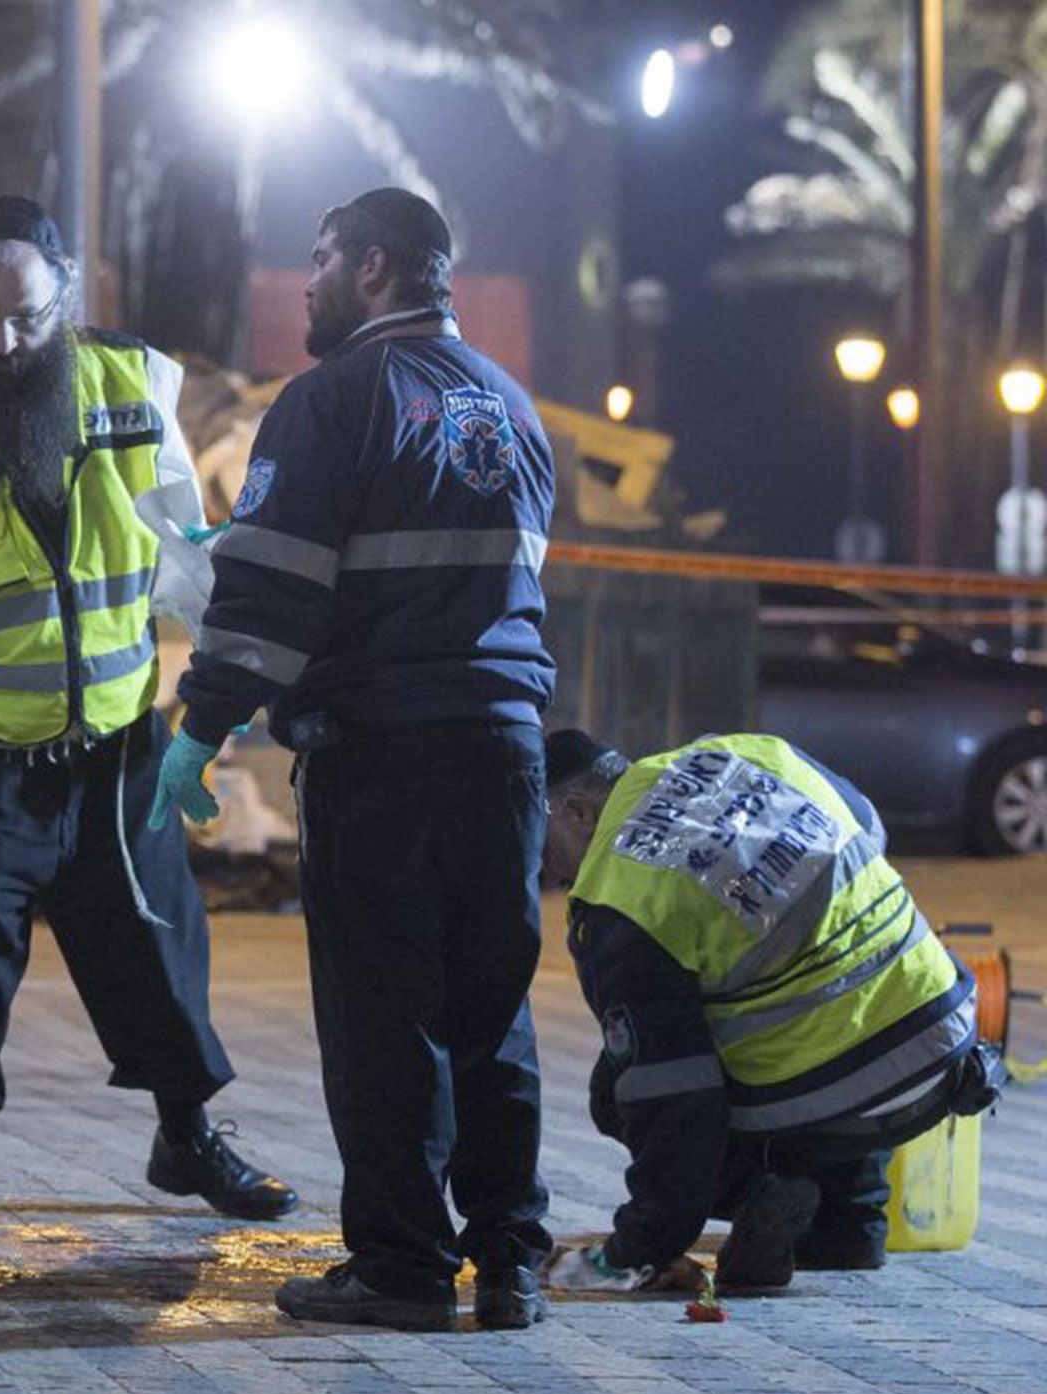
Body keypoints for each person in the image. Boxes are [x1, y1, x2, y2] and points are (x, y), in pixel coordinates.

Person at [0, 195, 296, 1236]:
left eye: (27, 320)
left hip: (117, 748)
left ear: (67, 297)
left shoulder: (133, 386)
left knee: (157, 947)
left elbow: (187, 554)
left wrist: (236, 675)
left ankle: (186, 1137)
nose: (3, 344)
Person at [154, 188, 557, 1331]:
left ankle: (401, 1269)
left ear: (375, 267)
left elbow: (279, 594)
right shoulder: (510, 407)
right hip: (502, 747)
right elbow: (434, 568)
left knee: (386, 1019)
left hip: (380, 753)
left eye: (322, 258)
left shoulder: (329, 399)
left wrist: (199, 726)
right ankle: (509, 1262)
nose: (305, 281)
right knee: (490, 1012)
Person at [538, 729, 1001, 1293]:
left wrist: (636, 1251)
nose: (553, 875)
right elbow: (867, 826)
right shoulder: (743, 753)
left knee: (619, 1089)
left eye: (543, 847)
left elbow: (670, 1094)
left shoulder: (616, 898)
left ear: (579, 811)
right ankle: (846, 1227)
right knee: (827, 990)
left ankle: (762, 1188)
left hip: (834, 1083)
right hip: (946, 1044)